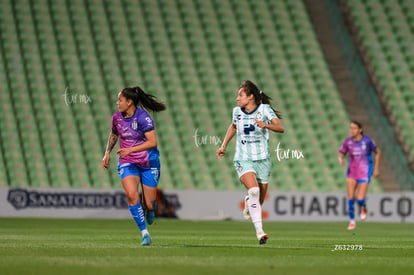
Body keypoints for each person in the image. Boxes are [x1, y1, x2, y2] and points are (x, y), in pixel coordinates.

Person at [216, 80, 284, 245]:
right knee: (253, 191)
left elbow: (280, 128)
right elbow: (233, 127)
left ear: (251, 97)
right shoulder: (236, 112)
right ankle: (260, 232)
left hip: (263, 160)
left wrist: (265, 125)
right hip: (243, 158)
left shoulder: (264, 110)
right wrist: (223, 145)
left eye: (240, 95)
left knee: (258, 200)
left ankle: (249, 203)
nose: (237, 98)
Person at [102, 86, 166, 246]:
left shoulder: (144, 118)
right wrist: (107, 152)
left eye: (120, 100)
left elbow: (153, 142)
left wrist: (130, 149)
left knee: (149, 203)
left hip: (148, 161)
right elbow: (114, 134)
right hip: (128, 161)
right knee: (132, 195)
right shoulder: (117, 118)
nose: (117, 103)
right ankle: (145, 233)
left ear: (129, 102)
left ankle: (150, 208)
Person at [338, 121, 381, 230]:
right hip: (351, 173)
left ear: (360, 129)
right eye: (351, 128)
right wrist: (341, 159)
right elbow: (342, 153)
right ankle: (352, 221)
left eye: (354, 128)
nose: (352, 130)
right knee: (350, 198)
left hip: (364, 172)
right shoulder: (348, 141)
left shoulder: (368, 141)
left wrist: (376, 168)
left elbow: (378, 152)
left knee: (360, 199)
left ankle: (363, 207)